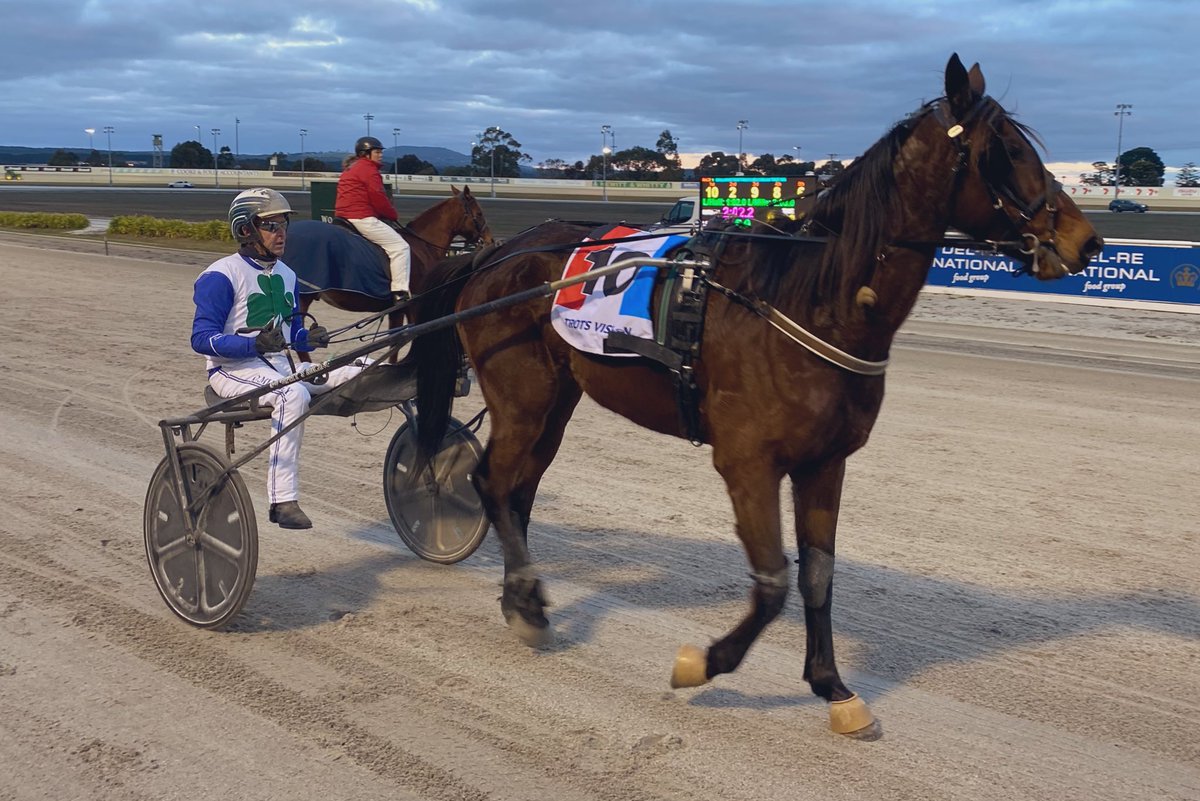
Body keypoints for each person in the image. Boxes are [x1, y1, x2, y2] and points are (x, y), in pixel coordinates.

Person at [191, 188, 369, 530]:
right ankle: (282, 501)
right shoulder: (220, 275)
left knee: (360, 368)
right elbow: (201, 339)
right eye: (271, 225)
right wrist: (252, 346)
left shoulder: (287, 275)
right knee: (293, 393)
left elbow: (289, 334)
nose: (281, 232)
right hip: (231, 371)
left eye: (283, 223)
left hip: (278, 367)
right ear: (246, 230)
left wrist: (308, 339)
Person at [335, 135, 412, 303]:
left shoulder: (351, 168)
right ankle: (400, 291)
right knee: (400, 247)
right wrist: (392, 214)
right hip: (361, 218)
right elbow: (378, 198)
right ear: (366, 154)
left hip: (343, 217)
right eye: (377, 151)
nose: (380, 155)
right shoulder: (369, 170)